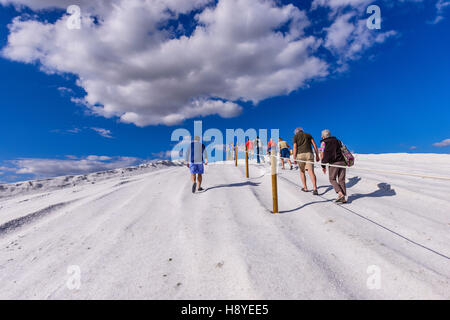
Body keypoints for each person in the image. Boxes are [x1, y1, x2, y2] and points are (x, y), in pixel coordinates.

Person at [320, 129, 347, 203]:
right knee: (341, 180)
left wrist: (323, 166)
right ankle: (343, 197)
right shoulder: (338, 141)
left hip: (334, 163)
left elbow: (322, 154)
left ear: (323, 137)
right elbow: (344, 150)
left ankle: (340, 194)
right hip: (342, 162)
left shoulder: (323, 143)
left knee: (332, 179)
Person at [293, 127, 320, 195]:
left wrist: (294, 158)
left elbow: (295, 147)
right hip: (309, 154)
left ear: (296, 132)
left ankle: (305, 187)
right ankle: (315, 188)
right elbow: (314, 145)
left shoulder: (295, 137)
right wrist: (317, 155)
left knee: (302, 171)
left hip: (300, 155)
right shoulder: (308, 135)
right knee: (311, 171)